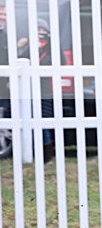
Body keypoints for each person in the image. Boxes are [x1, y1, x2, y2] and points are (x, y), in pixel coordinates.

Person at [17, 19, 58, 162]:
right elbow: (20, 59)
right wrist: (31, 45)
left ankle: (46, 156)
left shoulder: (51, 47)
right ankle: (32, 153)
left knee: (44, 122)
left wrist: (51, 45)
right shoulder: (26, 45)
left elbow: (62, 62)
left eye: (43, 30)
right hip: (28, 90)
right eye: (38, 30)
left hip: (45, 90)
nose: (41, 33)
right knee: (28, 121)